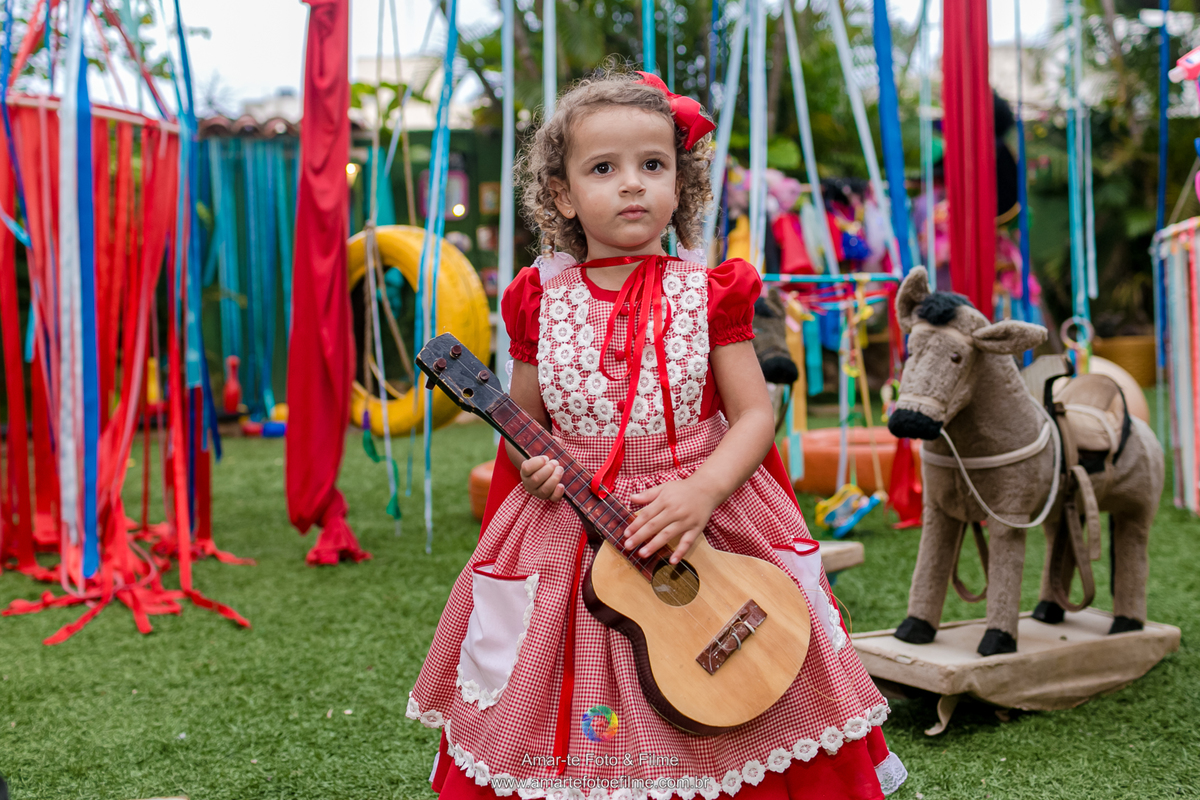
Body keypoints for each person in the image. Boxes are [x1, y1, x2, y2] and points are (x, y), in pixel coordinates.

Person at [405, 69, 907, 800]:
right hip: (570, 536)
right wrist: (533, 463)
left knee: (752, 678)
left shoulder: (710, 293)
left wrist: (703, 492)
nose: (632, 184)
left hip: (706, 516)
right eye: (603, 169)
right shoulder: (536, 298)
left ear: (682, 183)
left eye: (653, 165)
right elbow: (522, 424)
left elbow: (755, 415)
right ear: (562, 195)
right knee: (575, 693)